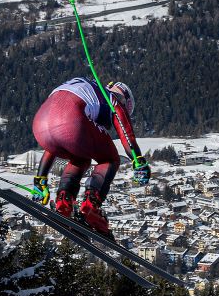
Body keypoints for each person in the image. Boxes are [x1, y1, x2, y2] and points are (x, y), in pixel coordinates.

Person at [31, 77, 151, 235]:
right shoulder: (112, 99)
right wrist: (138, 160)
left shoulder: (89, 89)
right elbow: (125, 134)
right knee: (110, 159)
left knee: (79, 157)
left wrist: (40, 179)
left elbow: (54, 139)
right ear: (125, 100)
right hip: (71, 121)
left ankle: (63, 203)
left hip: (40, 126)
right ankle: (90, 208)